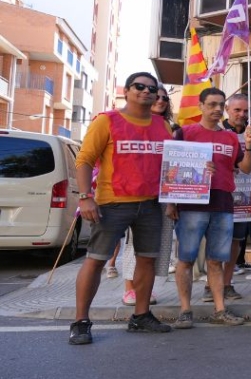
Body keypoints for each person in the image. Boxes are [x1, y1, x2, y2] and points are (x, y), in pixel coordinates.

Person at [69, 72, 174, 345]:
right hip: (111, 204)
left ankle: (141, 316)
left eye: (152, 88)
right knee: (95, 260)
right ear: (127, 91)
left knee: (147, 259)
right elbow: (84, 160)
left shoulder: (163, 126)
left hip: (151, 204)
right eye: (139, 87)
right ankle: (80, 322)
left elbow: (172, 167)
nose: (146, 92)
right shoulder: (107, 121)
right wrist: (84, 196)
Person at [169, 87, 251, 329]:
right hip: (191, 205)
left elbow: (246, 168)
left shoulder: (230, 137)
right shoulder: (185, 133)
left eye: (220, 105)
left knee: (216, 260)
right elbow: (169, 168)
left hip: (223, 204)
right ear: (201, 106)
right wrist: (169, 204)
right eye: (212, 104)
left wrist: (248, 145)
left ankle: (220, 310)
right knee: (185, 259)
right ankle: (185, 310)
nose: (217, 109)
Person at [117, 85, 179, 306]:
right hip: (137, 195)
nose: (160, 100)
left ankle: (145, 290)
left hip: (163, 195)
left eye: (164, 98)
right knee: (134, 244)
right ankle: (129, 289)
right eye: (157, 96)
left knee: (158, 245)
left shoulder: (171, 129)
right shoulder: (129, 124)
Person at [221, 94, 251, 282]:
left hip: (249, 193)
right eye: (237, 110)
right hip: (224, 193)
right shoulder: (219, 130)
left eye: (245, 111)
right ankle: (217, 280)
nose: (242, 114)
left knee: (239, 238)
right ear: (227, 110)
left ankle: (227, 280)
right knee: (222, 237)